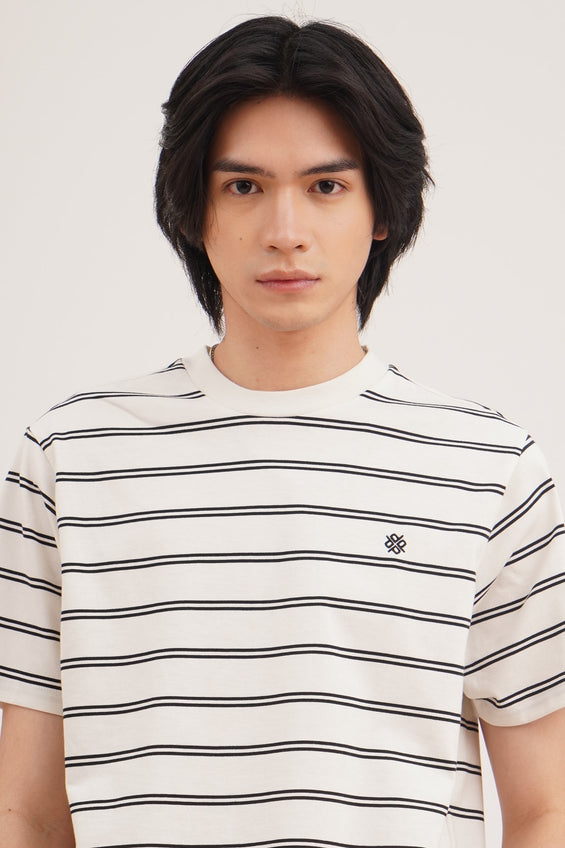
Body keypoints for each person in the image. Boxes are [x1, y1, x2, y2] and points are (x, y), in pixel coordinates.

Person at [0, 15, 564, 848]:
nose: (284, 230)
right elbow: (26, 811)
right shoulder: (70, 458)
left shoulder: (489, 468)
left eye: (326, 186)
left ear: (381, 210)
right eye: (244, 186)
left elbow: (546, 807)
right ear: (193, 208)